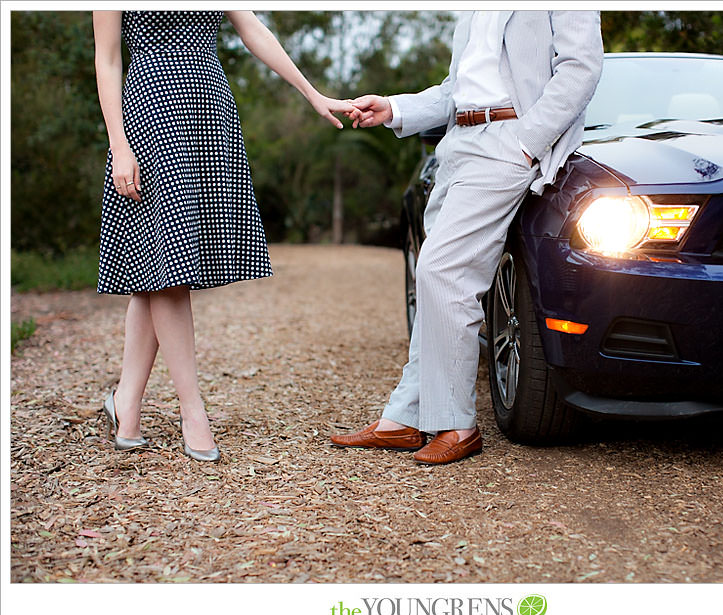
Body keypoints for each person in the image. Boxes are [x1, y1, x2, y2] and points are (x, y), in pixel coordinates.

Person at [331, 10, 604, 464]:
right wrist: (395, 108)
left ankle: (456, 425)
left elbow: (581, 67)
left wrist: (526, 142)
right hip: (458, 143)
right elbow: (455, 89)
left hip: (508, 141)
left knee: (444, 272)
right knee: (433, 281)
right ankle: (406, 417)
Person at [94, 10, 357, 461]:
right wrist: (118, 145)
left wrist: (312, 93)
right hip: (150, 118)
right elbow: (108, 58)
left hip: (208, 111)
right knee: (168, 266)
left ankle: (126, 405)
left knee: (152, 264)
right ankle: (192, 409)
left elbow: (252, 28)